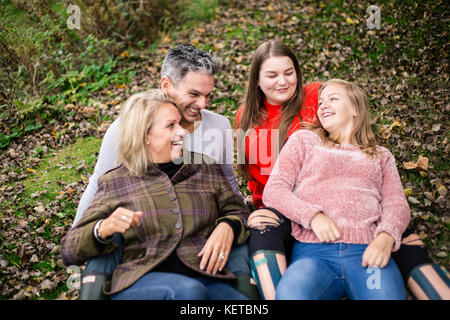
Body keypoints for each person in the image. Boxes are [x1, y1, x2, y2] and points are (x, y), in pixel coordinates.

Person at [236, 40, 450, 300]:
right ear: (256, 80)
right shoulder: (279, 130)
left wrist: (386, 237)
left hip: (365, 243)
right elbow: (270, 187)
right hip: (302, 231)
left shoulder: (375, 151)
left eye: (289, 73)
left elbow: (394, 202)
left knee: (402, 243)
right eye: (271, 75)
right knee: (267, 236)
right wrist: (293, 212)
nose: (282, 81)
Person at [73, 42, 256, 299]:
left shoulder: (219, 126)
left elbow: (228, 188)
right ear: (166, 85)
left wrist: (229, 224)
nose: (202, 104)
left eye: (208, 95)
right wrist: (82, 241)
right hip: (143, 242)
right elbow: (99, 185)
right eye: (193, 94)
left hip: (198, 243)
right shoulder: (127, 128)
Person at [263, 79, 409, 299]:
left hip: (367, 254)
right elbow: (274, 190)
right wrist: (312, 216)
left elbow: (396, 203)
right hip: (314, 255)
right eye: (321, 102)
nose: (323, 106)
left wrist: (386, 237)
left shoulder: (381, 156)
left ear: (356, 110)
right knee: (291, 295)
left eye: (333, 99)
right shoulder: (304, 141)